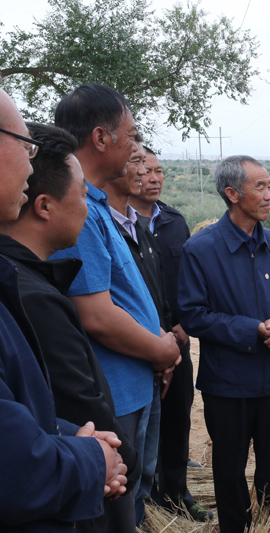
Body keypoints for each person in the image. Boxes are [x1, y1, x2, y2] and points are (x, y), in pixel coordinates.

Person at [50, 83, 181, 528]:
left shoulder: (101, 205)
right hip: (115, 393)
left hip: (137, 380)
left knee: (137, 496)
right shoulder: (78, 209)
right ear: (101, 138)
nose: (136, 147)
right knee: (119, 508)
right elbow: (97, 316)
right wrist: (160, 350)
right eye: (131, 133)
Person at [0, 121, 141, 532]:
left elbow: (36, 417)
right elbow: (74, 404)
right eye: (83, 195)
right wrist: (107, 458)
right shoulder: (31, 295)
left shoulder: (28, 282)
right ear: (45, 206)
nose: (87, 207)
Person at [178, 155, 270, 532]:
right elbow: (194, 315)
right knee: (229, 464)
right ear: (232, 193)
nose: (269, 195)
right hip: (227, 382)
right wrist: (254, 330)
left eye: (269, 187)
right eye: (259, 187)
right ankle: (236, 525)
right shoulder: (200, 249)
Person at [128, 146, 210, 521]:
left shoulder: (175, 222)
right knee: (138, 424)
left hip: (177, 340)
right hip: (134, 340)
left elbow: (190, 280)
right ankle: (136, 502)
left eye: (159, 171)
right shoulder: (115, 226)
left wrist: (184, 323)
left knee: (178, 415)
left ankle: (175, 492)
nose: (154, 178)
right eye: (145, 171)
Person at [105, 137, 176, 525]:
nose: (144, 172)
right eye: (136, 162)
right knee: (125, 475)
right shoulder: (93, 222)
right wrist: (159, 349)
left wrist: (163, 341)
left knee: (141, 472)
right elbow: (99, 315)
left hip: (149, 367)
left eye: (151, 167)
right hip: (124, 376)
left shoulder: (138, 229)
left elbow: (150, 299)